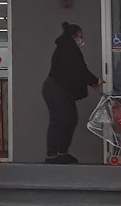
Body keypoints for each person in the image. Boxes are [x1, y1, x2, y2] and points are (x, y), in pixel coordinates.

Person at [41, 21, 100, 164]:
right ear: (74, 36)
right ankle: (53, 154)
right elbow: (79, 69)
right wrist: (94, 81)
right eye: (81, 36)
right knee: (60, 120)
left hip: (59, 89)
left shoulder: (66, 47)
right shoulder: (68, 48)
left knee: (69, 119)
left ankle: (61, 152)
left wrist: (92, 81)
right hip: (57, 89)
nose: (82, 40)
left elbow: (75, 70)